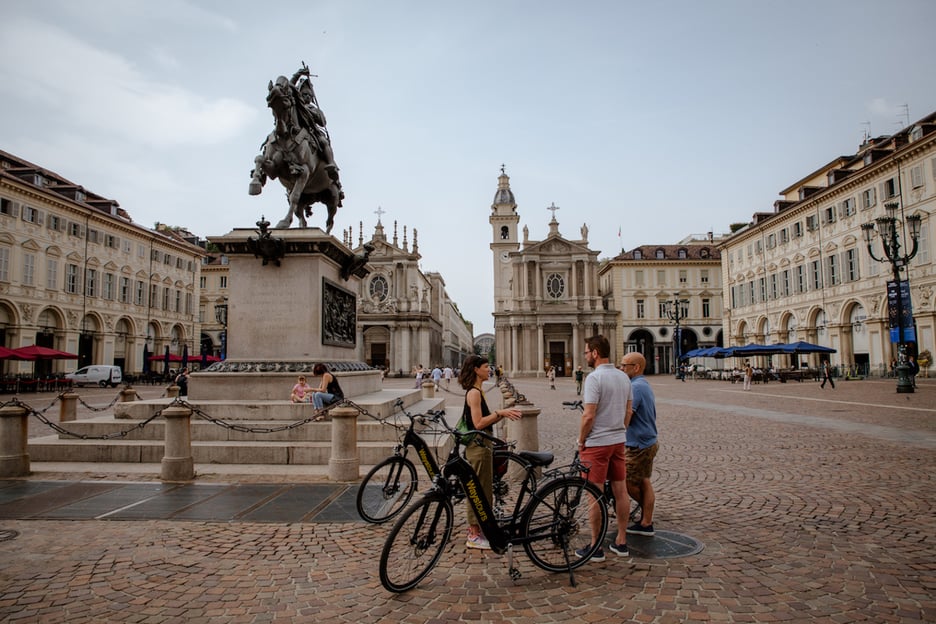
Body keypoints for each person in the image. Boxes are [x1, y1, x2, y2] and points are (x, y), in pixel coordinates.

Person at [577, 334, 633, 560]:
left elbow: (588, 416)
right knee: (621, 491)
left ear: (595, 353)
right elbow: (629, 412)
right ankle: (621, 541)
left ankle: (596, 546)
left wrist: (582, 439)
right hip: (618, 441)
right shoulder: (623, 377)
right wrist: (620, 430)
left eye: (587, 352)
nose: (586, 356)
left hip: (597, 444)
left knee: (594, 495)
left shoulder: (594, 378)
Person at [458, 354, 521, 550]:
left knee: (484, 489)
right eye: (486, 366)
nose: (489, 369)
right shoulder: (474, 393)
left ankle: (481, 528)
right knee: (477, 491)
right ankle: (474, 534)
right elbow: (478, 423)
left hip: (481, 445)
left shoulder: (478, 390)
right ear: (476, 370)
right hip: (477, 448)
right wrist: (500, 413)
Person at [620, 352, 658, 536]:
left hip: (639, 444)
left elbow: (628, 414)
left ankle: (647, 518)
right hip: (646, 440)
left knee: (627, 481)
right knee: (643, 480)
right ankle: (646, 521)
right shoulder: (642, 384)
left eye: (625, 365)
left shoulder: (636, 387)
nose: (621, 368)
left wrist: (617, 431)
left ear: (636, 367)